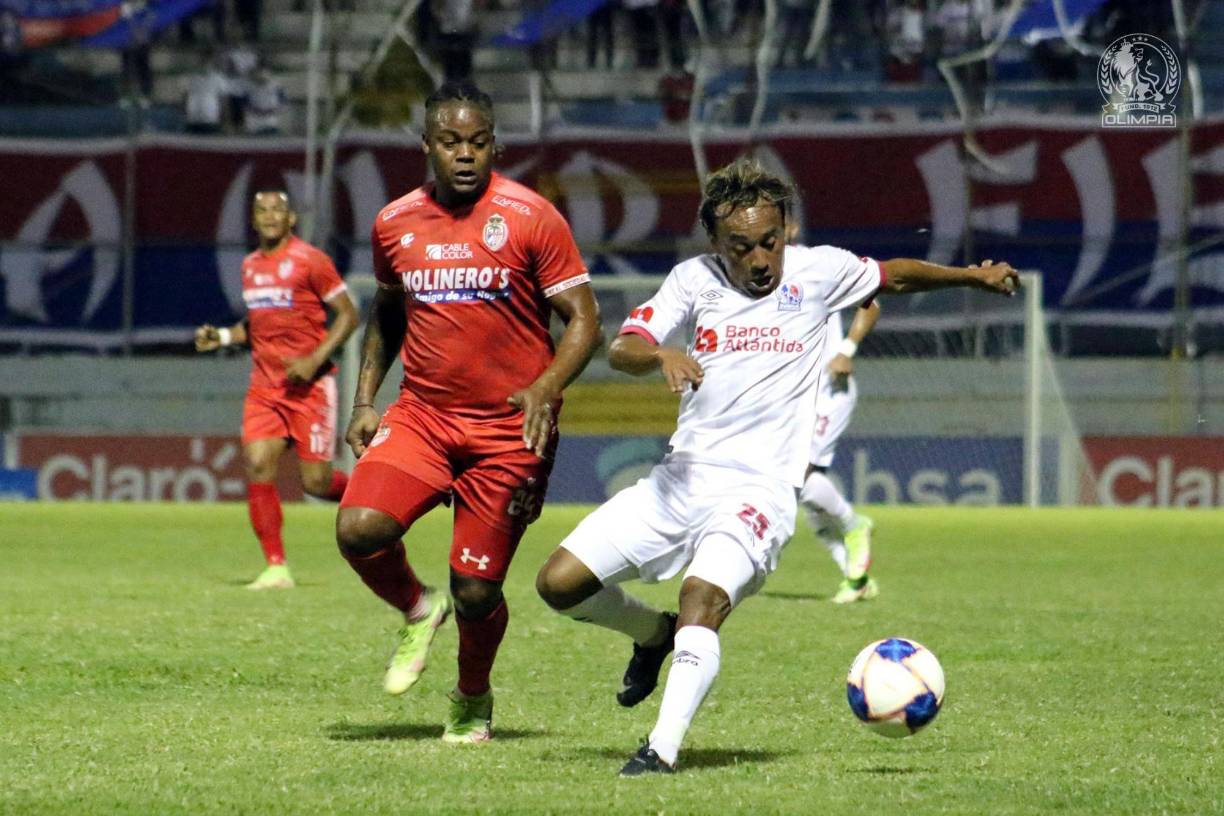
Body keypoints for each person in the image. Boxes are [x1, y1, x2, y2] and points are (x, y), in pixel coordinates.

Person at [534, 156, 1019, 775]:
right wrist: (662, 356)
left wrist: (968, 278)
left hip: (759, 491)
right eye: (743, 247)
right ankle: (650, 637)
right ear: (716, 242)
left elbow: (891, 276)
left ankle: (660, 750)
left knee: (702, 599)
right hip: (679, 481)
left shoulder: (818, 272)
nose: (761, 259)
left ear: (785, 229)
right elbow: (624, 344)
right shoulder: (692, 280)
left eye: (770, 241)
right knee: (559, 584)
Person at [335, 80, 601, 744]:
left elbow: (584, 320)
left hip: (509, 429)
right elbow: (388, 312)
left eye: (478, 142)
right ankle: (416, 606)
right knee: (359, 529)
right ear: (427, 145)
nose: (465, 155)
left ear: (493, 145)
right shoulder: (394, 222)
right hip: (424, 417)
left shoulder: (532, 215)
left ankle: (472, 696)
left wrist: (545, 386)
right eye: (451, 142)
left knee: (476, 591)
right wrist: (366, 399)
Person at [195, 189, 359, 589]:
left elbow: (349, 316)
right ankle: (276, 567)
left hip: (311, 387)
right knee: (256, 463)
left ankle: (378, 499)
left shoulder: (310, 261)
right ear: (253, 221)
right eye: (262, 211)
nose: (270, 216)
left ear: (291, 221)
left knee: (316, 484)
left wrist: (314, 359)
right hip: (265, 388)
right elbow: (258, 326)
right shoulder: (250, 266)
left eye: (278, 210)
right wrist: (220, 336)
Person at [801, 299, 882, 603]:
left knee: (796, 475)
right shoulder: (758, 280)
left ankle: (853, 525)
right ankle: (856, 578)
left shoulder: (822, 268)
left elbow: (871, 303)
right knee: (798, 489)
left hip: (829, 390)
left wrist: (846, 350)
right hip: (792, 398)